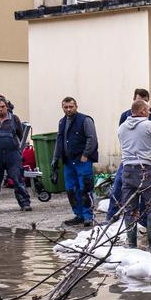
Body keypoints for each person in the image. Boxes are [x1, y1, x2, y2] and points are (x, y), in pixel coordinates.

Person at [107, 89, 151, 223]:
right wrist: (149, 153)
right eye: (140, 100)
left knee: (131, 207)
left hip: (129, 164)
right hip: (145, 165)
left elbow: (124, 142)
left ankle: (133, 238)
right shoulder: (148, 123)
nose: (148, 110)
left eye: (145, 100)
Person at [117, 98, 151, 248]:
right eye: (148, 109)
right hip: (146, 169)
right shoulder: (149, 125)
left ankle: (131, 243)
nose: (150, 112)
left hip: (127, 170)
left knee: (130, 209)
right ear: (142, 111)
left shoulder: (122, 128)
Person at [53, 97, 98, 227]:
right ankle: (78, 215)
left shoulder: (85, 120)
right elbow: (59, 141)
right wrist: (55, 159)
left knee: (86, 188)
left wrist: (86, 155)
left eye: (71, 107)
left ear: (76, 106)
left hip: (82, 161)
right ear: (62, 108)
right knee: (71, 190)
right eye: (65, 107)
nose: (68, 109)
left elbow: (92, 138)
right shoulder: (62, 122)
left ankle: (88, 216)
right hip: (68, 162)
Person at [0, 96, 30, 213]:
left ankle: (25, 203)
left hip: (12, 155)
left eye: (3, 107)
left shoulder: (14, 119)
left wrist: (16, 150)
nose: (1, 109)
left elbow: (20, 136)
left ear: (7, 107)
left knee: (18, 180)